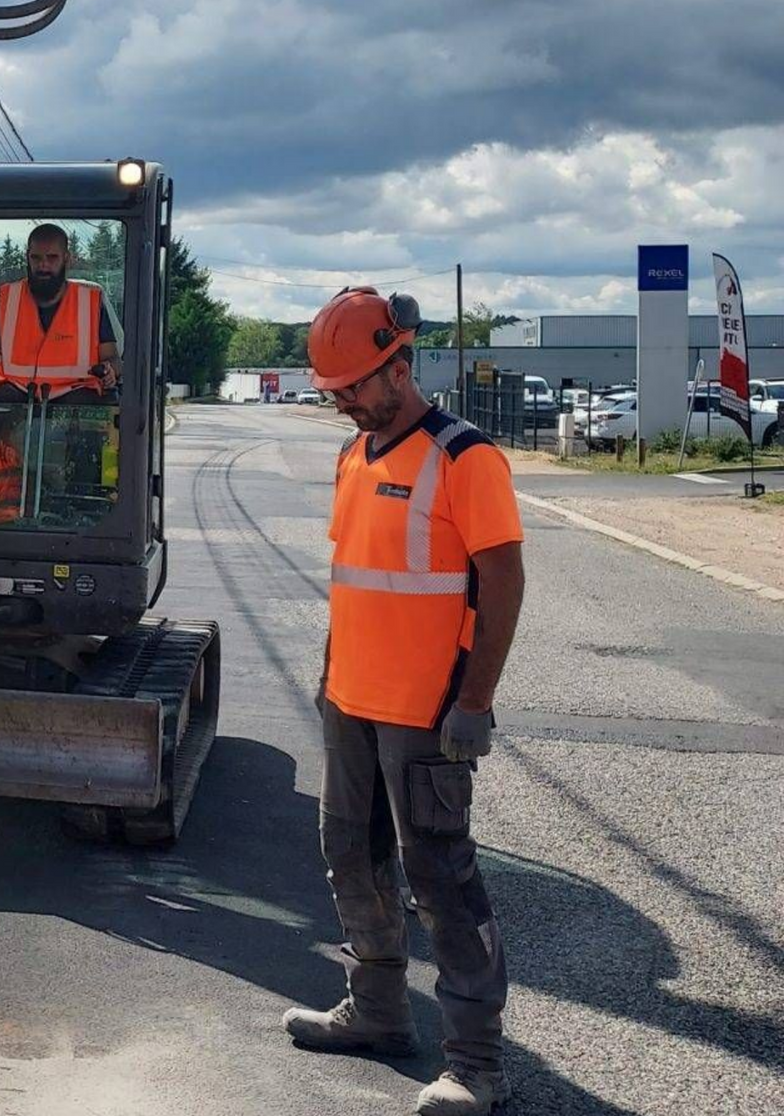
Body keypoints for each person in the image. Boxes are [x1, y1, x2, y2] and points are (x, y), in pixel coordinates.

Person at [282, 288, 526, 1116]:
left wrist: (476, 701)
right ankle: (379, 1012)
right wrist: (327, 678)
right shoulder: (354, 457)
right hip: (351, 700)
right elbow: (352, 581)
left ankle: (476, 1065)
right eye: (335, 391)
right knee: (350, 856)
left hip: (427, 713)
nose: (345, 400)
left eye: (355, 385)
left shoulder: (466, 457)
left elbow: (503, 580)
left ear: (400, 362)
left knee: (441, 879)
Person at [0, 224, 119, 399]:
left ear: (67, 259)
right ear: (27, 257)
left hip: (76, 400)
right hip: (15, 399)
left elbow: (112, 358)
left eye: (52, 258)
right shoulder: (5, 299)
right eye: (36, 258)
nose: (43, 265)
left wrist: (109, 371)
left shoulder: (91, 303)